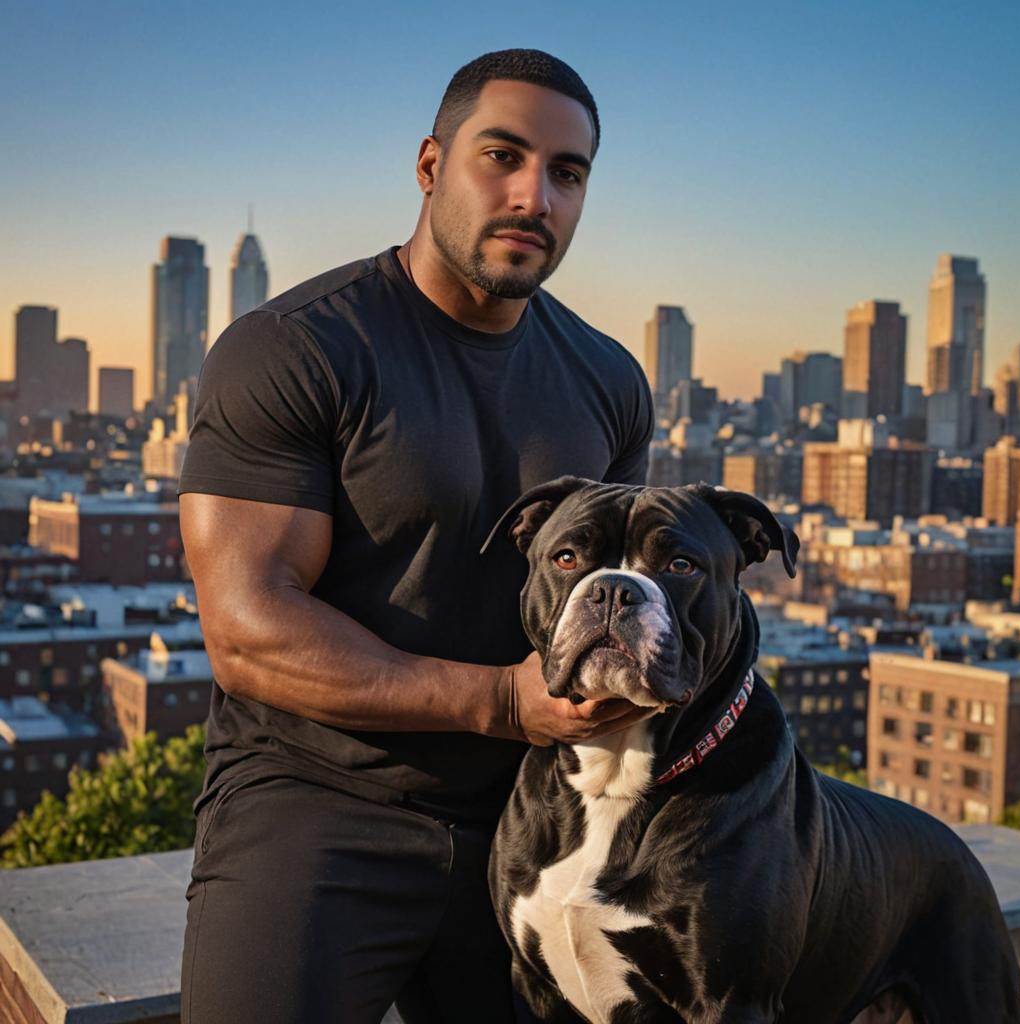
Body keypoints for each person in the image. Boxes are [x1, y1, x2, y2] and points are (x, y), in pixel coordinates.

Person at [178, 48, 654, 1024]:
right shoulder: (295, 347)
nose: (535, 195)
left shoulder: (607, 381)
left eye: (567, 174)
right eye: (503, 156)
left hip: (535, 815)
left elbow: (623, 609)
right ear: (431, 165)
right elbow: (244, 627)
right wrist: (499, 701)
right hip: (313, 804)